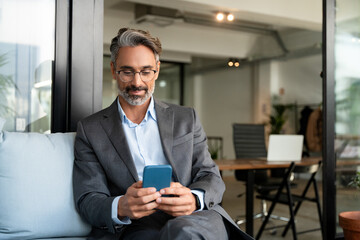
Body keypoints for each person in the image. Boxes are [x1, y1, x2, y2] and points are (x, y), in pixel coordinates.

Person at [73, 27, 253, 240]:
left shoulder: (186, 118)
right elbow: (88, 198)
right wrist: (121, 205)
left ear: (157, 70)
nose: (137, 82)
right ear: (114, 70)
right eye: (127, 71)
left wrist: (194, 199)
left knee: (183, 231)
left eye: (146, 71)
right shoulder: (91, 129)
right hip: (137, 225)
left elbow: (209, 175)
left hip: (194, 216)